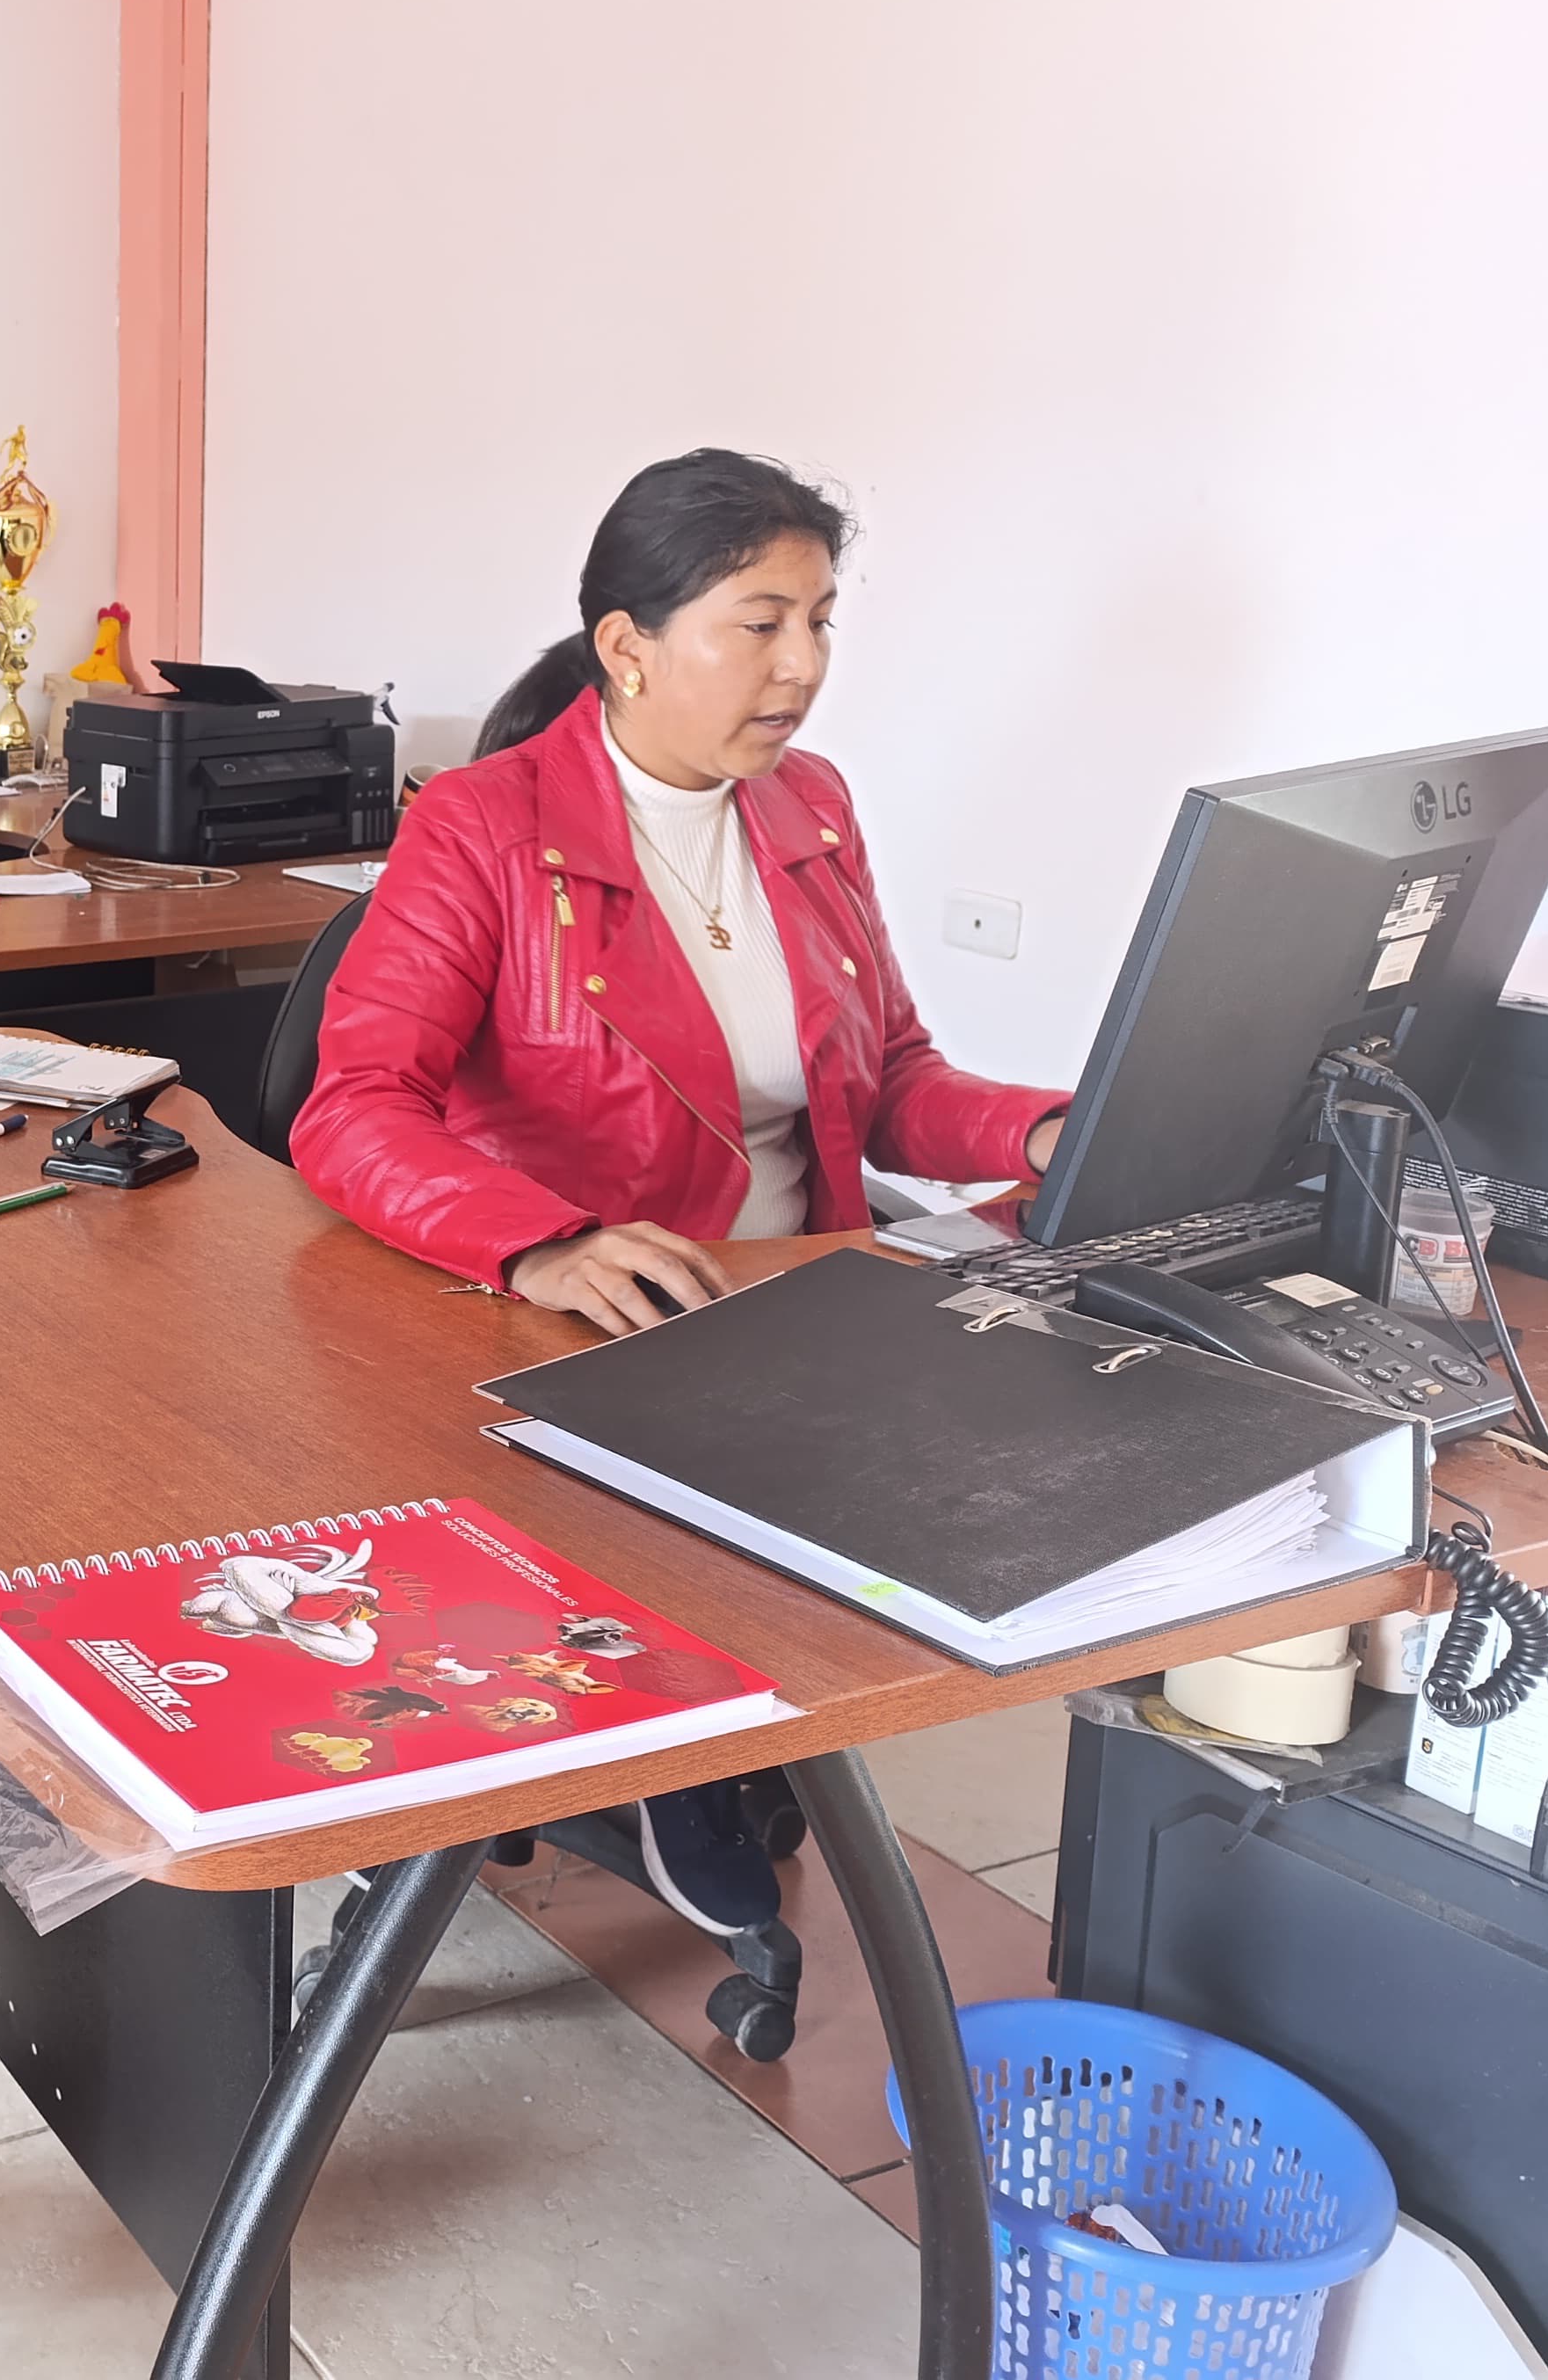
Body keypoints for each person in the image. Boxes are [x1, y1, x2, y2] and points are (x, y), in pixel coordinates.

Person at [287, 447, 1070, 1928]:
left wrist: (1041, 1130)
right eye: (760, 624)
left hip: (794, 1313)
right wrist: (541, 1243)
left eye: (820, 622)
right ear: (629, 645)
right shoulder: (484, 824)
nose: (803, 666)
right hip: (578, 1326)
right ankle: (663, 1743)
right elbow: (354, 1109)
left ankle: (712, 1723)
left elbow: (891, 1077)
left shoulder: (808, 806)